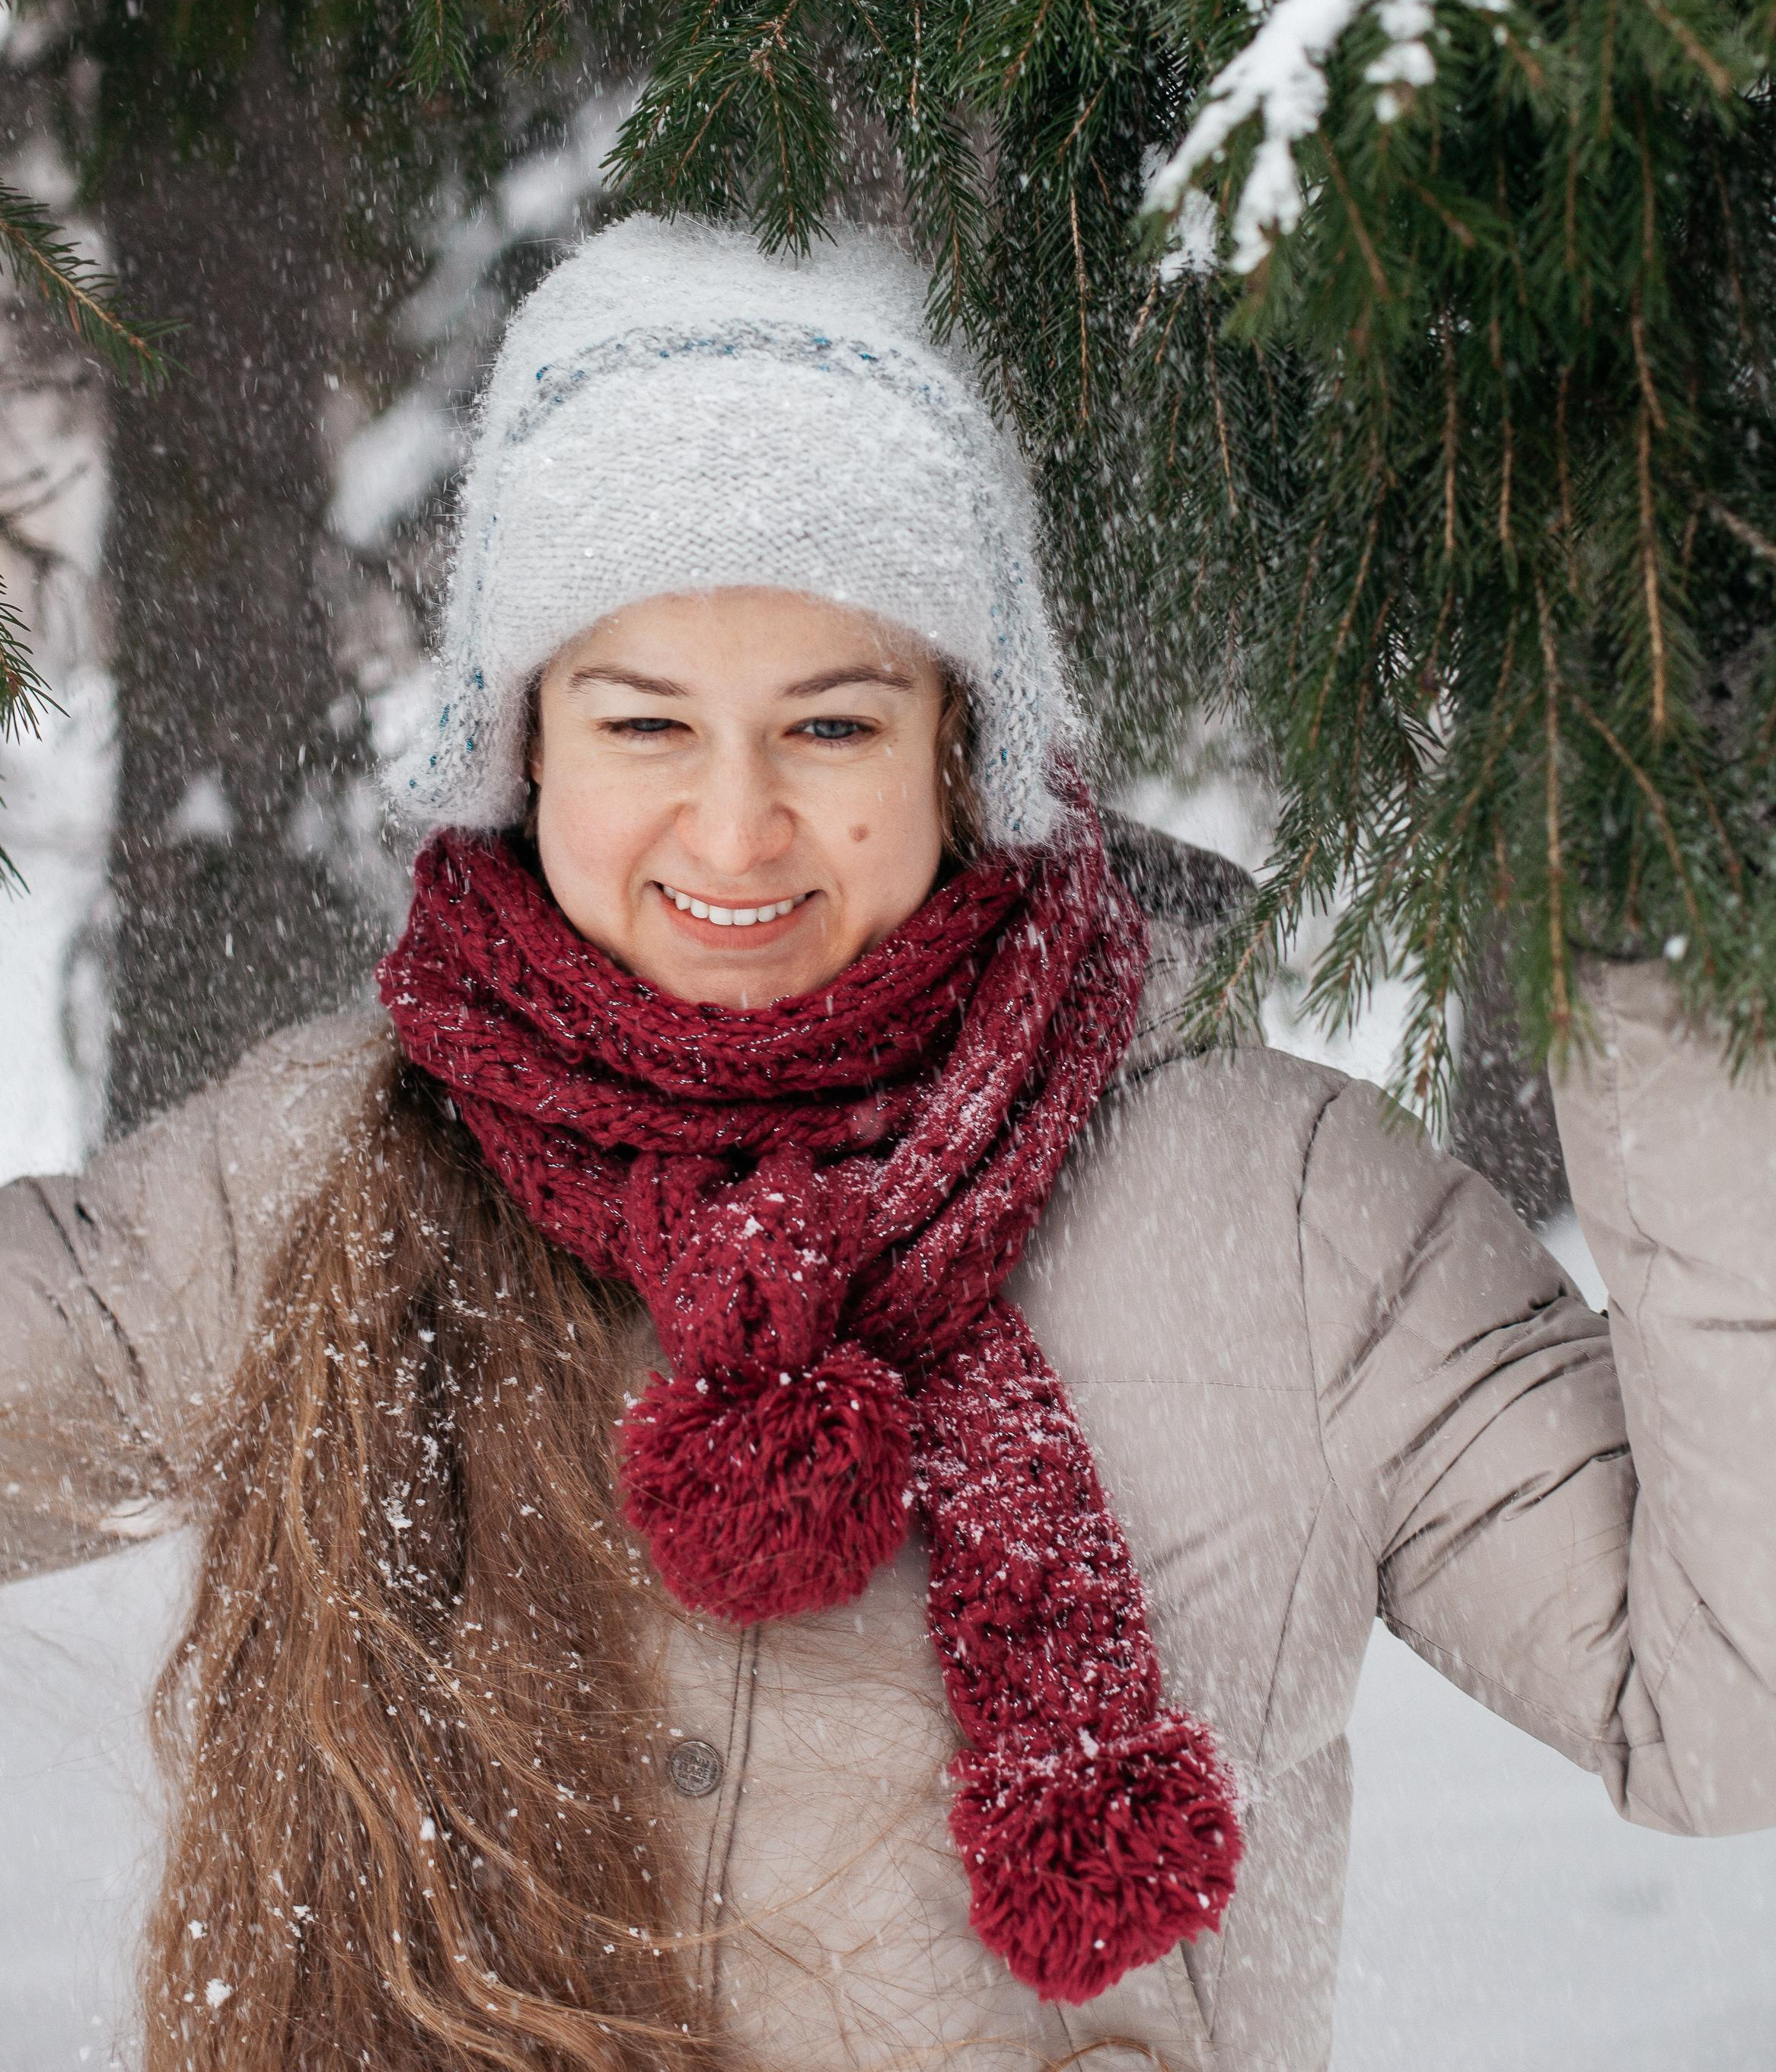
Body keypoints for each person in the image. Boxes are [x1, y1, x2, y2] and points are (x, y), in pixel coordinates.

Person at [2, 215, 1771, 2072]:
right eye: (645, 722)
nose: (739, 826)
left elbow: (1728, 1704)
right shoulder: (341, 1165)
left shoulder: (1283, 1212)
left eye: (832, 723)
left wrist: (1686, 937)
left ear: (959, 746)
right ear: (527, 747)